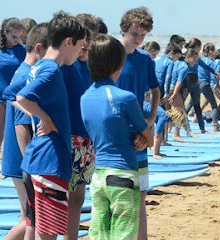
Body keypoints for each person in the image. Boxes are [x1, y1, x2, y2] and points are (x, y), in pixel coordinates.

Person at [14, 11, 86, 240]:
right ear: (68, 41)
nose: (80, 52)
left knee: (37, 229)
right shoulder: (52, 69)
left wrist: (42, 117)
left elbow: (13, 94)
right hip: (50, 163)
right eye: (80, 45)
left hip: (39, 161)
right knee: (48, 234)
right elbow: (22, 98)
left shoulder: (37, 66)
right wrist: (46, 119)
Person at [81, 33, 153, 240]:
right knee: (123, 234)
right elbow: (147, 136)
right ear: (119, 65)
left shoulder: (85, 98)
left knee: (100, 234)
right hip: (123, 176)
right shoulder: (125, 98)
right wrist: (138, 138)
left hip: (98, 176)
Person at [114, 7, 160, 240]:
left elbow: (155, 89)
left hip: (139, 133)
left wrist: (151, 119)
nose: (139, 39)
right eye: (134, 34)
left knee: (141, 191)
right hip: (114, 134)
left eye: (143, 35)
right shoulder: (110, 55)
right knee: (116, 192)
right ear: (122, 29)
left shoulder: (144, 59)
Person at [1, 22, 48, 240]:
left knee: (29, 214)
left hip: (20, 158)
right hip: (21, 159)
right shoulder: (27, 76)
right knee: (30, 215)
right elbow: (22, 125)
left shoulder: (24, 72)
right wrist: (31, 164)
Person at [59, 13, 98, 240]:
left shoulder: (91, 66)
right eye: (83, 38)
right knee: (62, 200)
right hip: (68, 138)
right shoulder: (65, 66)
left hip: (86, 140)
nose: (86, 44)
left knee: (78, 199)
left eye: (91, 39)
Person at [0, 18, 26, 155]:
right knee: (1, 131)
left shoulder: (23, 50)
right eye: (14, 36)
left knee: (16, 130)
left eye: (20, 37)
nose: (17, 40)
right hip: (1, 97)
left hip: (18, 97)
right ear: (5, 33)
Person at [168, 49, 199, 141]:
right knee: (180, 111)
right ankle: (177, 134)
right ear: (188, 57)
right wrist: (174, 94)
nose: (195, 62)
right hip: (173, 88)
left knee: (176, 111)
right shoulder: (184, 66)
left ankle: (183, 131)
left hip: (169, 87)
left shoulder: (178, 62)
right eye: (194, 59)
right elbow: (179, 81)